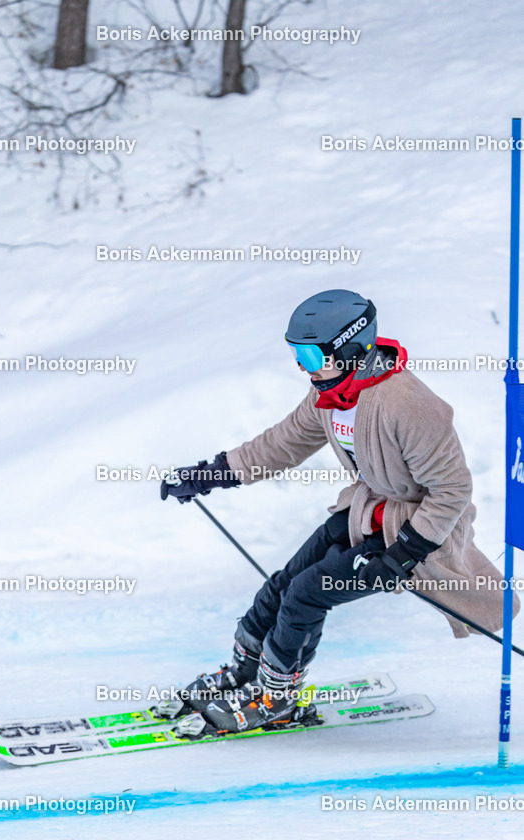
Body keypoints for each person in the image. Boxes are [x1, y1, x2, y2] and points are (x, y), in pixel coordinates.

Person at [157, 289, 518, 738]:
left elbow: (453, 490)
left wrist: (404, 554)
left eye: (311, 355)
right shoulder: (332, 395)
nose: (304, 367)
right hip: (369, 513)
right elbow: (282, 444)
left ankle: (277, 696)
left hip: (420, 534)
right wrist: (211, 473)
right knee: (285, 582)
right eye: (297, 355)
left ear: (351, 348)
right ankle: (247, 673)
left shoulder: (409, 406)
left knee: (308, 593)